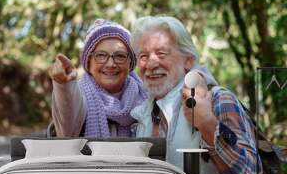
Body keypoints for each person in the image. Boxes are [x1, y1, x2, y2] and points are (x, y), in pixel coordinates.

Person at [130, 15, 262, 174]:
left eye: (161, 53)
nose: (151, 63)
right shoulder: (141, 115)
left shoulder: (217, 100)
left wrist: (207, 124)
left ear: (188, 60)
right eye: (143, 56)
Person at [49, 19, 216, 138]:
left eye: (120, 56)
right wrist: (64, 85)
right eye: (101, 56)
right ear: (88, 63)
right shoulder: (79, 95)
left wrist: (197, 77)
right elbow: (67, 128)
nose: (111, 63)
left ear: (130, 63)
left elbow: (182, 68)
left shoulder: (147, 93)